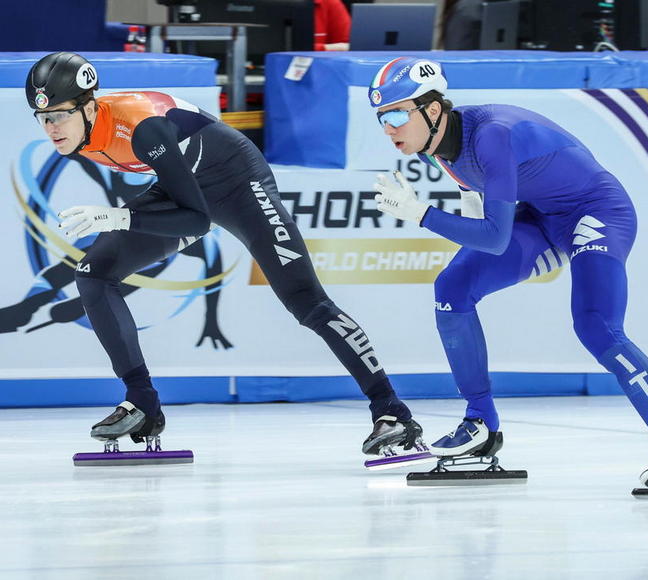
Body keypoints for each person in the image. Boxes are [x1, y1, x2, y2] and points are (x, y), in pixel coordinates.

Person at [26, 51, 424, 461]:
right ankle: (142, 402)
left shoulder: (141, 127)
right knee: (93, 272)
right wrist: (127, 217)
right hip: (183, 187)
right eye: (43, 118)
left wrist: (119, 216)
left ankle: (392, 411)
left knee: (307, 302)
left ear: (90, 106)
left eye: (59, 115)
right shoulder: (77, 135)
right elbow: (184, 199)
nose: (51, 128)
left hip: (239, 184)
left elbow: (197, 221)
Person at [367, 56, 648, 488]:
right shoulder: (438, 146)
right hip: (541, 218)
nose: (388, 128)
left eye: (396, 114)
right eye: (381, 118)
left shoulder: (491, 136)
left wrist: (420, 213)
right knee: (453, 287)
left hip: (596, 212)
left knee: (596, 326)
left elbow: (494, 237)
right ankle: (480, 424)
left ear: (433, 109)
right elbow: (482, 218)